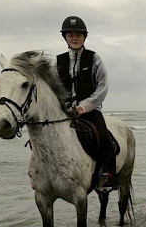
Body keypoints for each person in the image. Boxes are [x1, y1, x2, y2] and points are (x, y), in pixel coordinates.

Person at [56, 16, 117, 191]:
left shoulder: (94, 58)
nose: (74, 38)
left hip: (89, 110)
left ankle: (108, 175)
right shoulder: (58, 61)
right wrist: (63, 106)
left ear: (84, 37)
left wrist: (85, 106)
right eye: (70, 35)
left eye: (78, 35)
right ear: (65, 38)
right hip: (65, 111)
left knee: (103, 137)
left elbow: (103, 85)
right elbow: (54, 88)